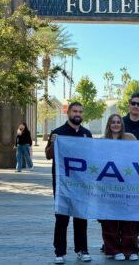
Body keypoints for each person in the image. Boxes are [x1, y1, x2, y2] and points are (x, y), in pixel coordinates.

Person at [45, 102, 92, 264]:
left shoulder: (87, 134)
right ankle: (59, 252)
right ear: (68, 113)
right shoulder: (58, 133)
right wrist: (52, 143)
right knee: (62, 219)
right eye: (75, 111)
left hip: (81, 184)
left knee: (81, 218)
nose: (77, 114)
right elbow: (48, 155)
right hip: (62, 184)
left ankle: (82, 249)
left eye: (80, 111)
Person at [100, 113, 139, 261]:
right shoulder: (102, 141)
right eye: (113, 122)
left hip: (127, 184)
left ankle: (130, 249)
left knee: (129, 219)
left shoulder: (130, 138)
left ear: (122, 125)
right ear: (109, 125)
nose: (116, 124)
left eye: (118, 122)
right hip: (108, 185)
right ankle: (114, 250)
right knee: (109, 220)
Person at [122, 92, 139, 252]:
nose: (136, 106)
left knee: (137, 208)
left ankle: (134, 237)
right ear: (129, 105)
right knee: (120, 206)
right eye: (133, 103)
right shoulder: (120, 122)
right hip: (120, 172)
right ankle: (114, 238)